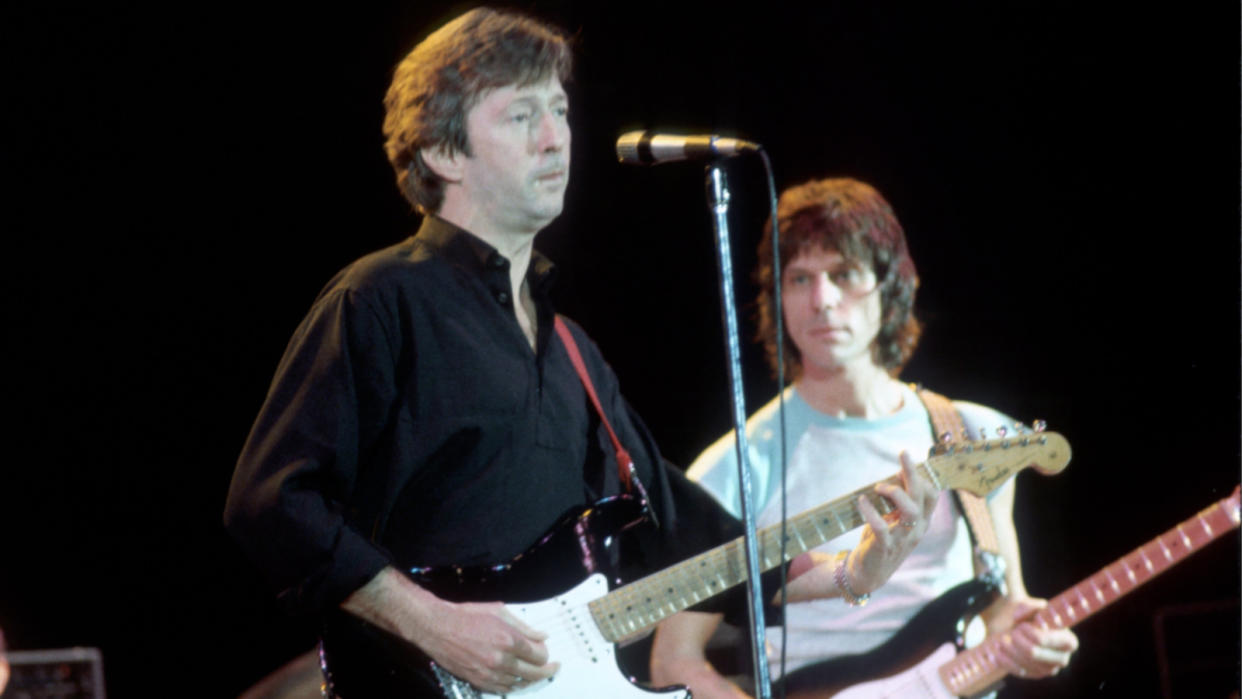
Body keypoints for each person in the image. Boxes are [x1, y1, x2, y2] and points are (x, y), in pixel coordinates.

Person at [223, 11, 933, 698]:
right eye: (521, 115)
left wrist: (854, 569)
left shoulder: (573, 349)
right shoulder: (381, 299)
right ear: (443, 152)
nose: (555, 138)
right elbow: (271, 502)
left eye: (558, 111)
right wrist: (435, 625)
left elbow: (688, 537)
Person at [648, 178, 1079, 698]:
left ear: (892, 285)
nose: (823, 301)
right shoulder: (734, 467)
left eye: (844, 274)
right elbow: (674, 661)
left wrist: (1026, 645)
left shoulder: (975, 435)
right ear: (776, 297)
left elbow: (1005, 611)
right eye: (800, 279)